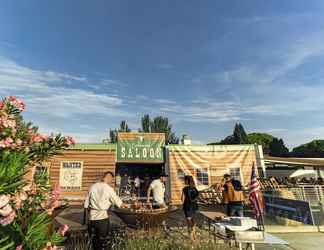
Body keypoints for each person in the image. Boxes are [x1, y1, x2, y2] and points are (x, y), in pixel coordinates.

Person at [84, 171, 127, 250]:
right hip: (102, 218)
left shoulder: (93, 186)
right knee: (103, 241)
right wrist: (126, 205)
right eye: (111, 179)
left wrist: (86, 219)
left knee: (93, 241)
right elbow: (118, 202)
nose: (111, 181)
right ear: (107, 177)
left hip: (92, 218)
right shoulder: (108, 188)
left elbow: (86, 204)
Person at [181, 175, 199, 240]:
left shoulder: (184, 189)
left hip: (187, 206)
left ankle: (191, 237)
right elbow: (197, 197)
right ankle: (194, 236)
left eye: (184, 180)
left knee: (189, 222)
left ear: (187, 180)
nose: (184, 181)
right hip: (194, 206)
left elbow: (182, 199)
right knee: (193, 221)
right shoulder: (194, 188)